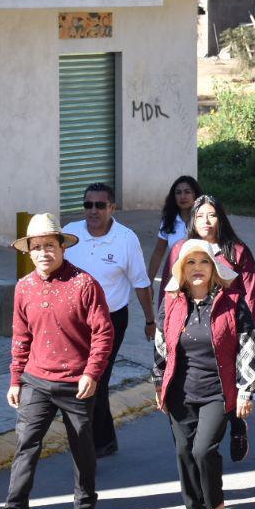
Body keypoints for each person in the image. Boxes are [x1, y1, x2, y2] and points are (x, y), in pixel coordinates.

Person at [0, 214, 113, 509]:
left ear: (61, 248)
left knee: (81, 445)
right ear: (29, 252)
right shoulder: (24, 287)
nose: (44, 252)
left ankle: (84, 507)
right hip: (35, 381)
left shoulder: (84, 284)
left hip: (76, 383)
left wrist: (92, 372)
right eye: (37, 247)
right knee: (25, 447)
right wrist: (15, 379)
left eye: (49, 246)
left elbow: (103, 333)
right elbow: (20, 335)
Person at [153, 240, 255, 509]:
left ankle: (216, 505)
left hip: (217, 390)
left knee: (203, 450)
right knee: (184, 452)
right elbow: (161, 347)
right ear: (181, 270)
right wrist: (159, 382)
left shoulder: (232, 302)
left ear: (214, 268)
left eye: (203, 262)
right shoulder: (171, 301)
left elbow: (247, 347)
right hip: (179, 392)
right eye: (190, 263)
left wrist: (245, 390)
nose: (197, 269)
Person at [166, 195, 255, 463]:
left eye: (212, 215)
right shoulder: (180, 249)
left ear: (221, 218)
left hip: (228, 329)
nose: (206, 222)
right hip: (193, 328)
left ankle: (237, 426)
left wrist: (243, 332)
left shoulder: (237, 251)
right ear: (192, 220)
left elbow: (250, 295)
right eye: (199, 216)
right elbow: (170, 290)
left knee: (227, 382)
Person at [64, 182, 154, 458]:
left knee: (96, 380)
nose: (93, 211)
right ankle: (105, 439)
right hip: (75, 321)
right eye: (88, 205)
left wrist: (150, 320)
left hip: (111, 320)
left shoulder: (126, 239)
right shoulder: (69, 233)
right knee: (80, 379)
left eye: (100, 205)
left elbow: (141, 283)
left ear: (111, 207)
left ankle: (89, 443)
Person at [146, 175, 201, 295]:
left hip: (201, 279)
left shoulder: (204, 219)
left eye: (187, 192)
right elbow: (158, 252)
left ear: (195, 195)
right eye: (178, 192)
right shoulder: (169, 220)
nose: (183, 197)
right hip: (174, 279)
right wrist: (148, 282)